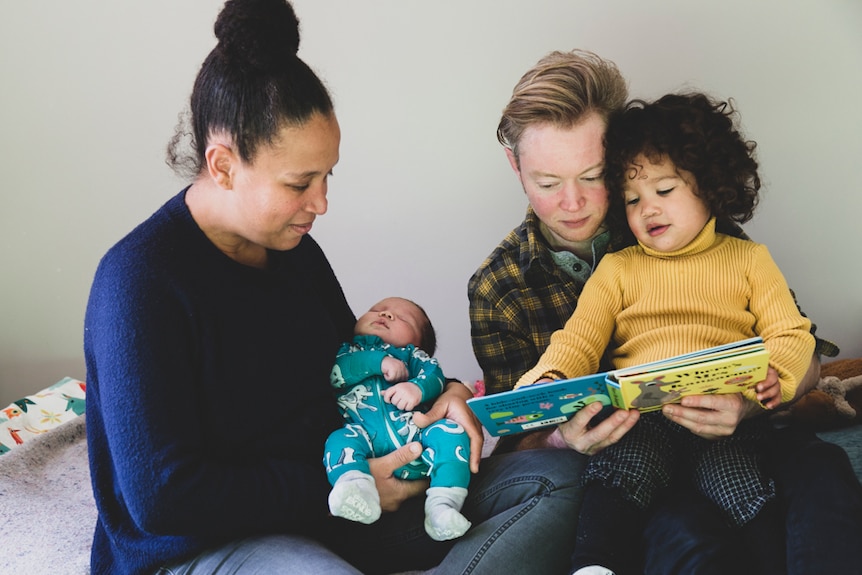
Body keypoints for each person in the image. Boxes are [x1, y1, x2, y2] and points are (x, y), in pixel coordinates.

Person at [84, 1, 587, 574]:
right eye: (301, 182)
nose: (321, 204)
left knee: (560, 479)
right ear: (222, 165)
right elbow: (163, 499)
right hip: (199, 544)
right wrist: (340, 483)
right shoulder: (139, 283)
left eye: (328, 176)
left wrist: (446, 392)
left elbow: (359, 364)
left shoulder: (294, 254)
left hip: (342, 507)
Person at [469, 49, 862, 574]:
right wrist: (563, 433)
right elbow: (529, 425)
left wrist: (753, 400)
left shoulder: (711, 237)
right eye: (547, 183)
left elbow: (798, 345)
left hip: (732, 431)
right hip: (634, 448)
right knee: (681, 534)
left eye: (593, 175)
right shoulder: (501, 287)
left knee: (820, 470)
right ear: (515, 166)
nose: (574, 203)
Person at [324, 297, 471, 541]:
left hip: (417, 437)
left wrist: (417, 388)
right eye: (376, 309)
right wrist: (377, 362)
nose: (387, 314)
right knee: (339, 440)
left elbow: (435, 375)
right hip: (363, 440)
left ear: (419, 342)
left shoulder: (413, 357)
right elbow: (337, 374)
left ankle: (442, 506)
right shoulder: (345, 351)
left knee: (450, 431)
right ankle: (355, 488)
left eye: (403, 318)